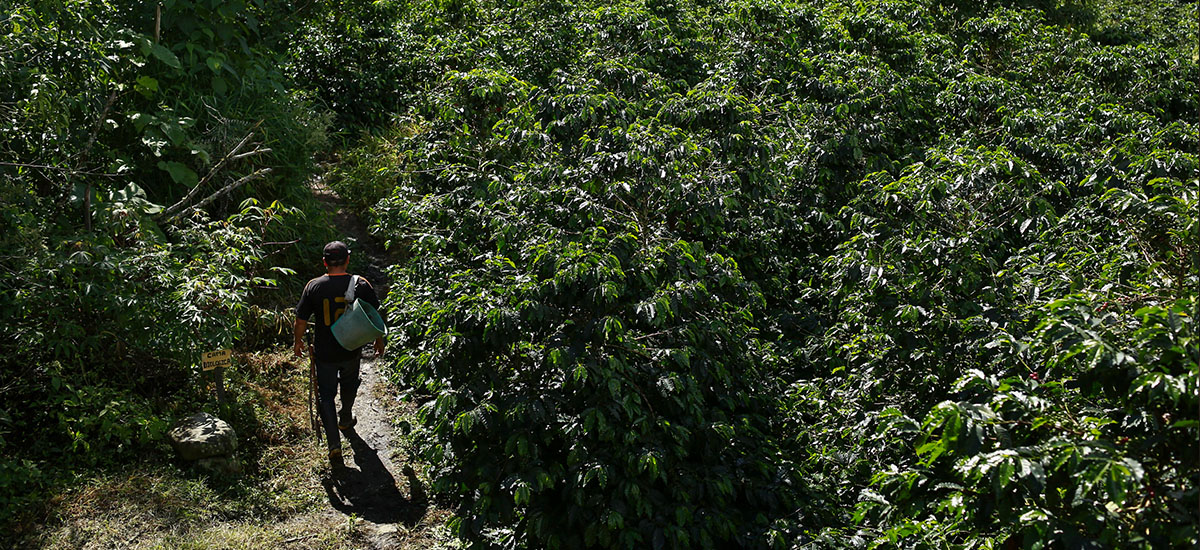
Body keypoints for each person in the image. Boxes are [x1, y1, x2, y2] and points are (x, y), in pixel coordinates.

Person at [294, 241, 385, 468]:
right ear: (347, 260)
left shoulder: (313, 286)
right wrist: (379, 339)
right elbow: (374, 314)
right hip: (351, 348)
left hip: (324, 352)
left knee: (326, 395)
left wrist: (297, 342)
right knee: (349, 383)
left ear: (324, 262)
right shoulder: (360, 284)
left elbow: (301, 319)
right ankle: (345, 418)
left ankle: (334, 443)